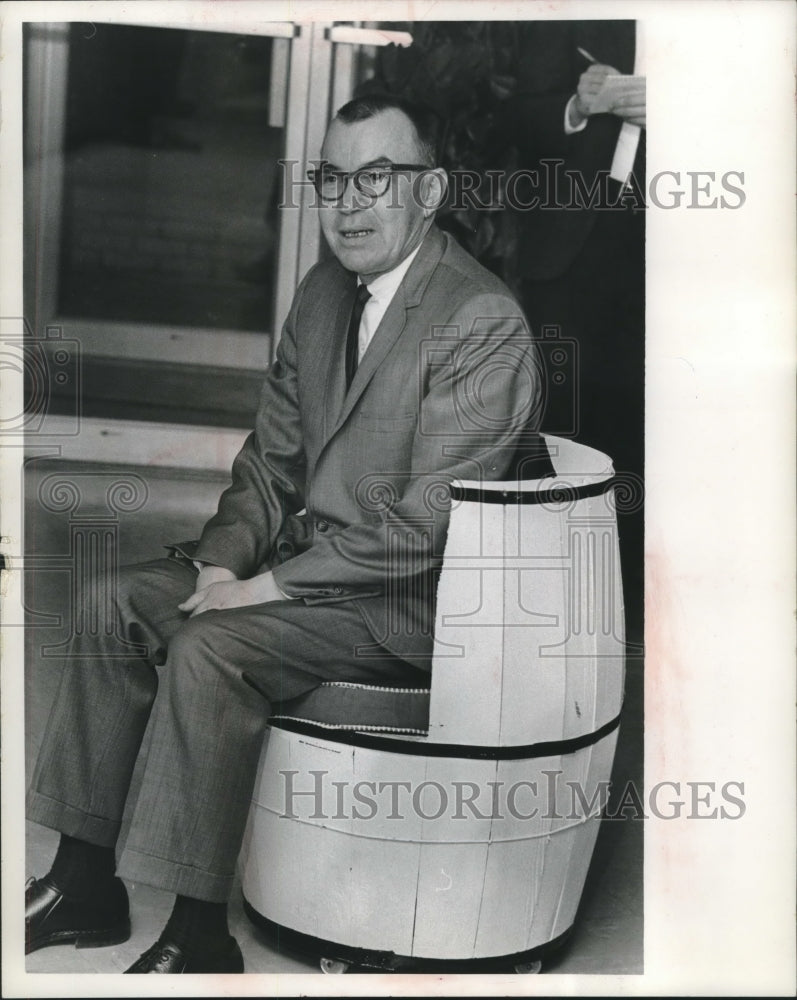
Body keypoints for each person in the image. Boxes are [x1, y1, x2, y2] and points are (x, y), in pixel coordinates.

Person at [25, 94, 540, 974]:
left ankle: (196, 932)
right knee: (113, 602)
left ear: (431, 190)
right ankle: (85, 883)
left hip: (410, 606)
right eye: (331, 179)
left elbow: (424, 527)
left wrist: (253, 591)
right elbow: (270, 465)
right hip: (312, 579)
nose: (347, 203)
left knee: (211, 644)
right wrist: (221, 563)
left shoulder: (479, 321)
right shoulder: (323, 293)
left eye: (376, 177)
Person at [495, 19, 646, 633]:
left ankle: (632, 621)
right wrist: (578, 106)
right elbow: (515, 119)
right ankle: (546, 615)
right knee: (561, 432)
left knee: (658, 435)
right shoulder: (577, 10)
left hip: (691, 248)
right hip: (575, 253)